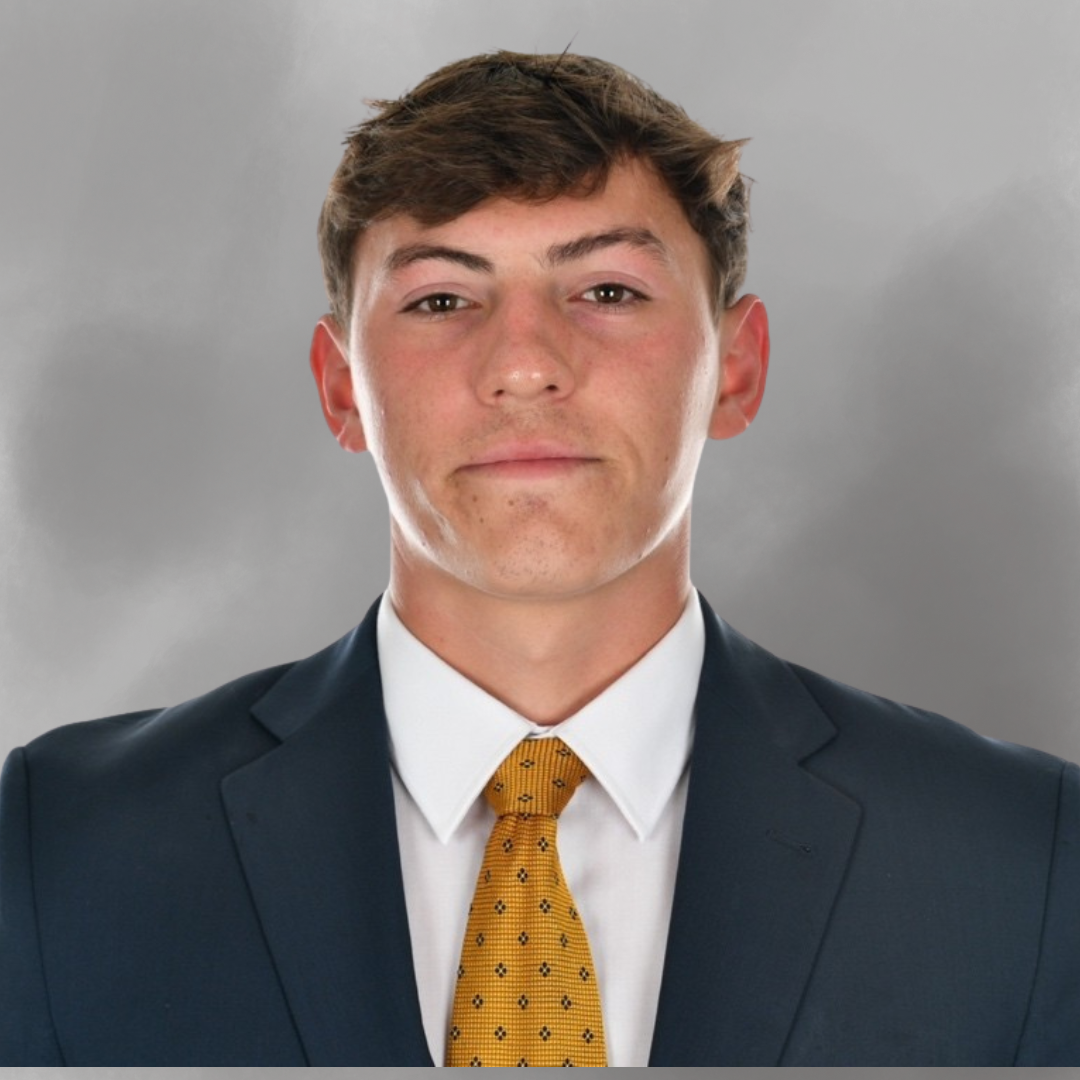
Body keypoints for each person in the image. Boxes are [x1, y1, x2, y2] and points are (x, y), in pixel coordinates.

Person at [1, 50, 1077, 1067]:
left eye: (607, 291)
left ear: (736, 371)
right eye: (440, 300)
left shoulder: (1021, 867)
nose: (523, 364)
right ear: (342, 390)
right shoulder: (63, 846)